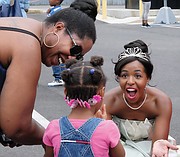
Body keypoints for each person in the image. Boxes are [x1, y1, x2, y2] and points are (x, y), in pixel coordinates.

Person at [0, 0, 97, 147]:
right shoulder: (28, 46)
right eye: (75, 49)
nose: (70, 59)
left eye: (78, 56)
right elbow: (17, 127)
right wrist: (53, 138)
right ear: (58, 27)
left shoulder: (21, 25)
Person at [101, 39, 177, 156]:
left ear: (148, 78)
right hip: (120, 148)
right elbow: (105, 141)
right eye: (124, 75)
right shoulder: (109, 101)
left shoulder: (161, 102)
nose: (130, 81)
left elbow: (158, 145)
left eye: (138, 76)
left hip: (151, 146)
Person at [43, 56, 125, 157]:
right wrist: (103, 123)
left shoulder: (54, 127)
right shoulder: (108, 128)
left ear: (66, 92)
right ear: (101, 92)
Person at [46, 0, 65, 87]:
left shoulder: (56, 12)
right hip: (58, 37)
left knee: (55, 58)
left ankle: (58, 77)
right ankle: (62, 76)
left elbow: (49, 24)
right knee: (60, 58)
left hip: (55, 38)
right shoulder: (56, 10)